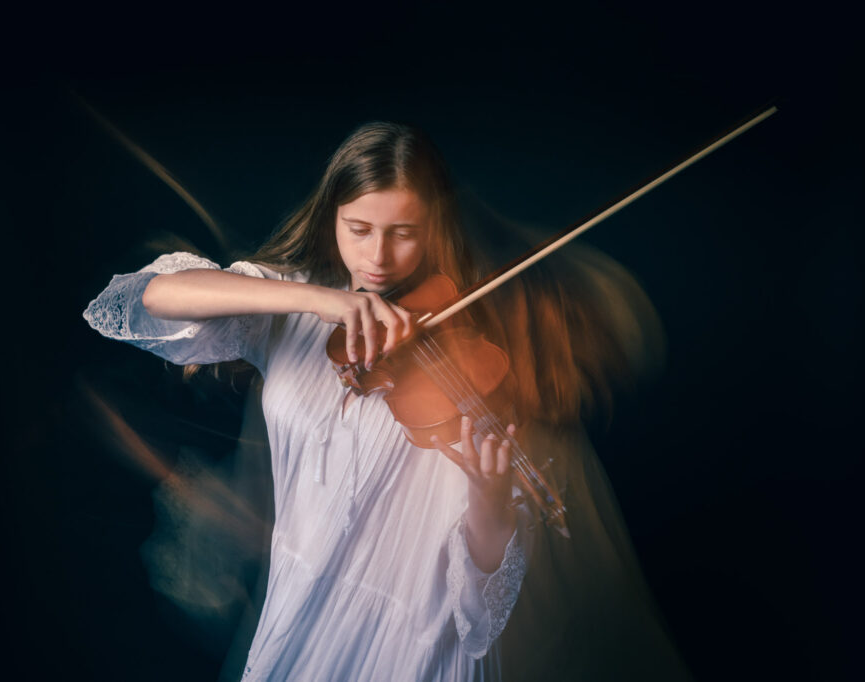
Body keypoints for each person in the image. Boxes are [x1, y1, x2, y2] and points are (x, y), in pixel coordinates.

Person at [84, 122, 537, 681]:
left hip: (404, 647)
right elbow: (143, 299)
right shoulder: (288, 307)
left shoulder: (463, 352)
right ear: (332, 217)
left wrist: (491, 497)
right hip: (297, 607)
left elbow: (479, 601)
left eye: (403, 232)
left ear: (434, 228)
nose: (379, 256)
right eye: (360, 228)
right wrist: (318, 298)